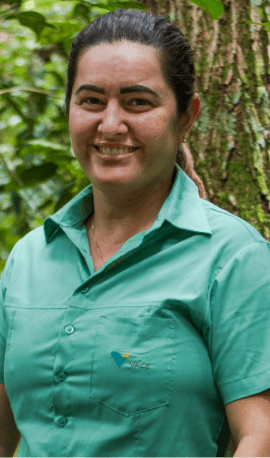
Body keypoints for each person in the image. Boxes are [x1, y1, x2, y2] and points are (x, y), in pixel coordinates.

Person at [1, 8, 270, 458]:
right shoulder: (29, 258)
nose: (110, 124)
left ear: (187, 118)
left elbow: (259, 437)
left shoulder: (234, 257)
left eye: (137, 102)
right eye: (90, 101)